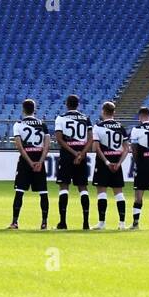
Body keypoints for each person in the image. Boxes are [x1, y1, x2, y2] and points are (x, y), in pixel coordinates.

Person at [9, 98, 51, 230]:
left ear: (23, 109)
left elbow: (20, 146)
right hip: (39, 159)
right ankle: (44, 222)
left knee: (19, 191)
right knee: (43, 192)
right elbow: (47, 145)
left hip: (25, 161)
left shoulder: (18, 124)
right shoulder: (42, 124)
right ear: (35, 109)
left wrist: (29, 162)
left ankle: (15, 222)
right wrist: (40, 161)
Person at [54, 94, 92, 230]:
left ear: (66, 104)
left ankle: (63, 222)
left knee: (64, 187)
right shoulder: (85, 119)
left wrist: (73, 152)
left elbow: (59, 139)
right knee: (83, 188)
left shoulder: (61, 118)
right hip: (81, 157)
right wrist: (81, 153)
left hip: (66, 156)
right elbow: (91, 139)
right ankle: (86, 223)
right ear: (78, 104)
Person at [91, 101, 128, 230]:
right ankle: (122, 223)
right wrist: (118, 163)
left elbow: (95, 147)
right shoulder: (121, 127)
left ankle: (102, 223)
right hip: (117, 162)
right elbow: (126, 148)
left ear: (103, 111)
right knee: (119, 193)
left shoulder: (98, 127)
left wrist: (106, 162)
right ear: (114, 112)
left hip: (103, 163)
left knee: (101, 192)